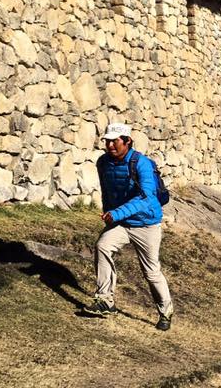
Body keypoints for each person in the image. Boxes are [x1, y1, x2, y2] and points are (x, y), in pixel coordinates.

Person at [87, 123, 174, 330]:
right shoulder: (103, 163)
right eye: (107, 141)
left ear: (127, 141)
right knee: (103, 246)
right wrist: (110, 213)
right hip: (122, 223)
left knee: (151, 272)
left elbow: (146, 197)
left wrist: (116, 213)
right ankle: (105, 301)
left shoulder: (142, 164)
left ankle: (165, 310)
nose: (110, 145)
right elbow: (108, 191)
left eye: (115, 141)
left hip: (146, 224)